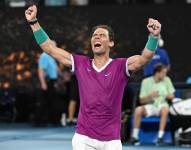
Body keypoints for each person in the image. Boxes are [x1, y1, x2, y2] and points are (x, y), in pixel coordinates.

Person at [25, 5, 161, 150]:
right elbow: (50, 49)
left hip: (112, 140)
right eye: (94, 35)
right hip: (84, 138)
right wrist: (34, 22)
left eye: (102, 35)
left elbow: (144, 59)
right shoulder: (81, 63)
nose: (97, 37)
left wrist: (154, 37)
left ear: (111, 43)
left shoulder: (121, 66)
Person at [131, 64, 175, 146]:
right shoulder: (145, 81)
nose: (165, 75)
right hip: (150, 106)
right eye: (163, 73)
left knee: (165, 109)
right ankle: (134, 137)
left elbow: (172, 96)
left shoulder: (167, 80)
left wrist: (166, 94)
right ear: (157, 73)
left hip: (162, 105)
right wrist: (151, 96)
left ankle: (160, 137)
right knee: (138, 110)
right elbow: (141, 100)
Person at [37, 43, 58, 125]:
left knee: (50, 101)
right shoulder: (44, 56)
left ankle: (51, 120)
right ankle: (39, 121)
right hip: (47, 81)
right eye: (54, 46)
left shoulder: (51, 57)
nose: (56, 47)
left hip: (52, 81)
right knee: (44, 102)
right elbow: (41, 70)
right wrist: (43, 83)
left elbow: (56, 69)